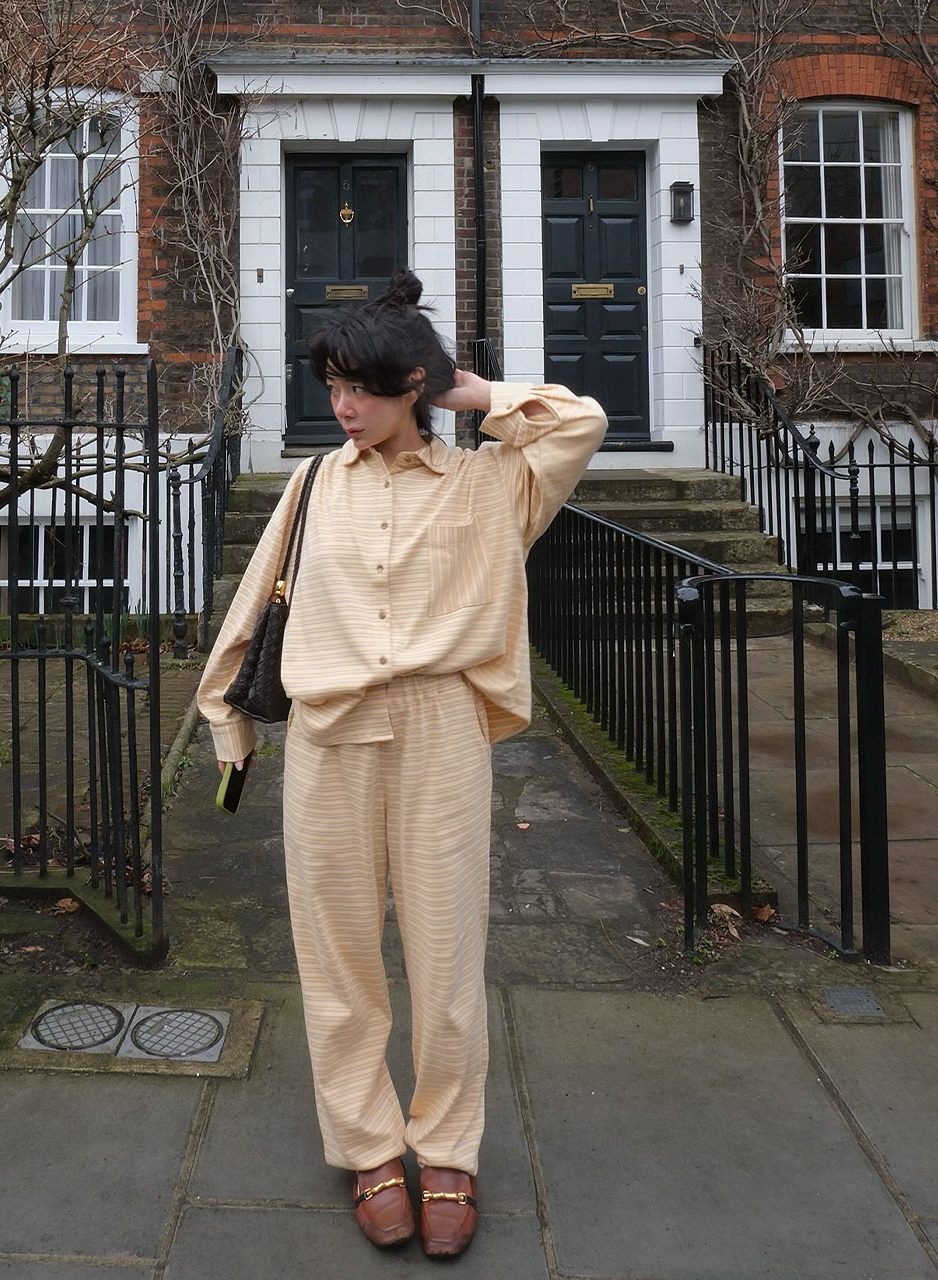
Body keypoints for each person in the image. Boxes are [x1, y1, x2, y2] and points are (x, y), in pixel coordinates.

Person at [196, 269, 607, 1257]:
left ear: (411, 385)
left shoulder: (493, 484)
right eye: (334, 384)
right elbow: (255, 604)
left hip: (440, 734)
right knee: (337, 955)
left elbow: (578, 422)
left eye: (364, 386)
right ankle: (370, 1145)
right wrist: (226, 723)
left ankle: (448, 1148)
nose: (344, 405)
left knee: (446, 953)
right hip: (330, 735)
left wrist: (464, 388)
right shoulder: (312, 484)